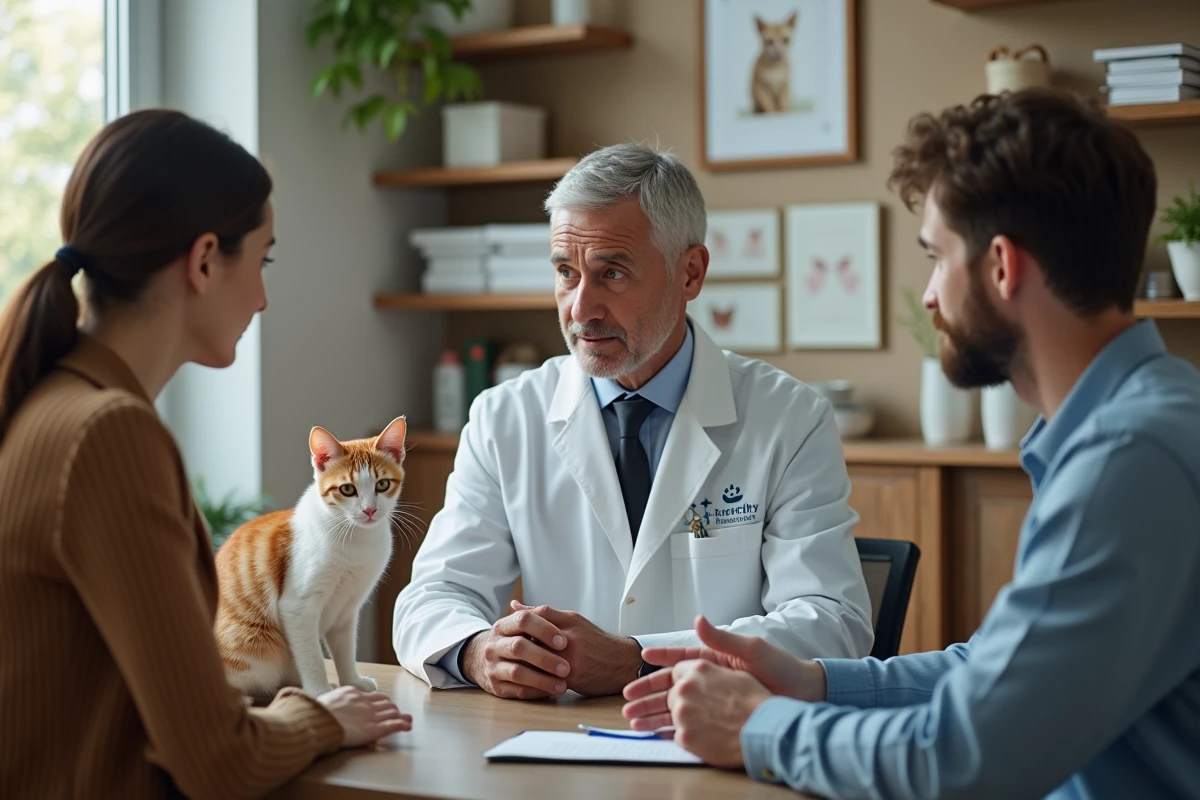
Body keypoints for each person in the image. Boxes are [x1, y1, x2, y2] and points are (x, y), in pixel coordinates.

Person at [621, 89, 1200, 799]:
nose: (928, 297)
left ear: (1001, 266)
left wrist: (757, 728)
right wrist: (814, 682)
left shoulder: (1127, 460)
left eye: (936, 257)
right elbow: (995, 673)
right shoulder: (1145, 422)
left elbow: (963, 756)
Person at [0, 109, 412, 800]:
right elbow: (218, 760)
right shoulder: (108, 435)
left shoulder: (44, 404)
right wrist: (318, 715)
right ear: (203, 261)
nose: (263, 298)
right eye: (264, 260)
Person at [393, 143, 873, 700]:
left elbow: (832, 624)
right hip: (555, 749)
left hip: (721, 741)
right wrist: (479, 652)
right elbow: (432, 595)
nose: (580, 308)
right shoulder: (504, 417)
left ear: (690, 273)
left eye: (612, 273)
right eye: (566, 272)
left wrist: (636, 662)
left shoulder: (790, 418)